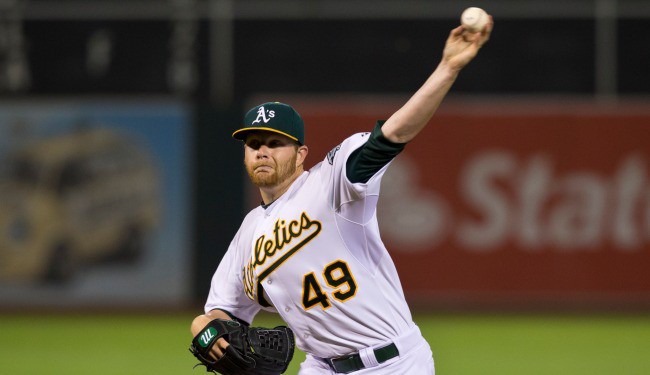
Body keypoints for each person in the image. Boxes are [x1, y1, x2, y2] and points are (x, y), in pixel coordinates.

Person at [191, 16, 493, 374]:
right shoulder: (248, 234)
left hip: (393, 362)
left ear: (301, 154)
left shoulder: (332, 183)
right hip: (320, 367)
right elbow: (221, 310)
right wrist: (204, 328)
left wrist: (447, 68)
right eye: (254, 144)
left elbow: (391, 136)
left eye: (275, 143)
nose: (262, 151)